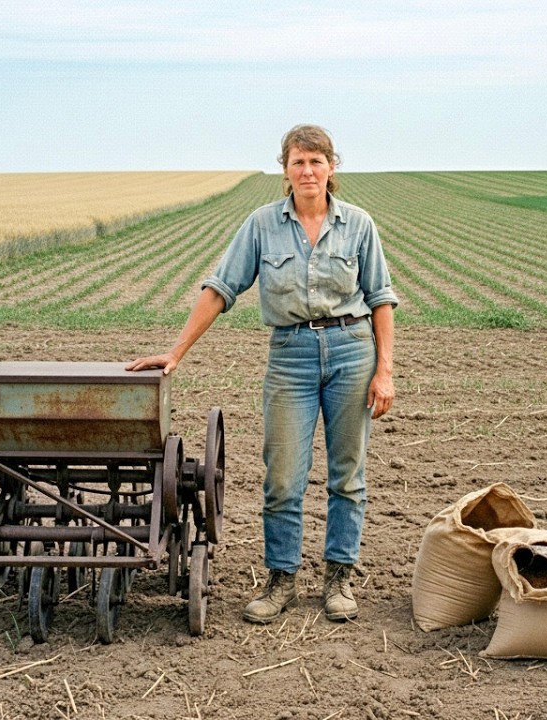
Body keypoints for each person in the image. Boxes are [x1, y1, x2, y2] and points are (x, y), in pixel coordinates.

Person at [127, 124, 398, 624]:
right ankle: (281, 581)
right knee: (283, 477)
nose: (308, 171)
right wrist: (176, 352)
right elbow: (220, 288)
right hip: (290, 355)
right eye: (298, 162)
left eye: (316, 161)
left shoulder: (359, 225)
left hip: (351, 350)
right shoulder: (261, 225)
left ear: (331, 167)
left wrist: (384, 370)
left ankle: (338, 579)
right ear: (286, 169)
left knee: (347, 475)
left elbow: (380, 299)